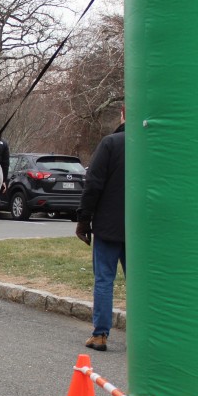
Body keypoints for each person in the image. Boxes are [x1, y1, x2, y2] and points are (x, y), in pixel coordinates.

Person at [75, 106, 126, 351]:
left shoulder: (111, 144)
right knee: (140, 283)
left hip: (108, 225)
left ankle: (100, 334)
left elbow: (93, 184)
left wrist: (84, 220)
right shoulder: (153, 146)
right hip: (141, 229)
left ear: (123, 113)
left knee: (104, 279)